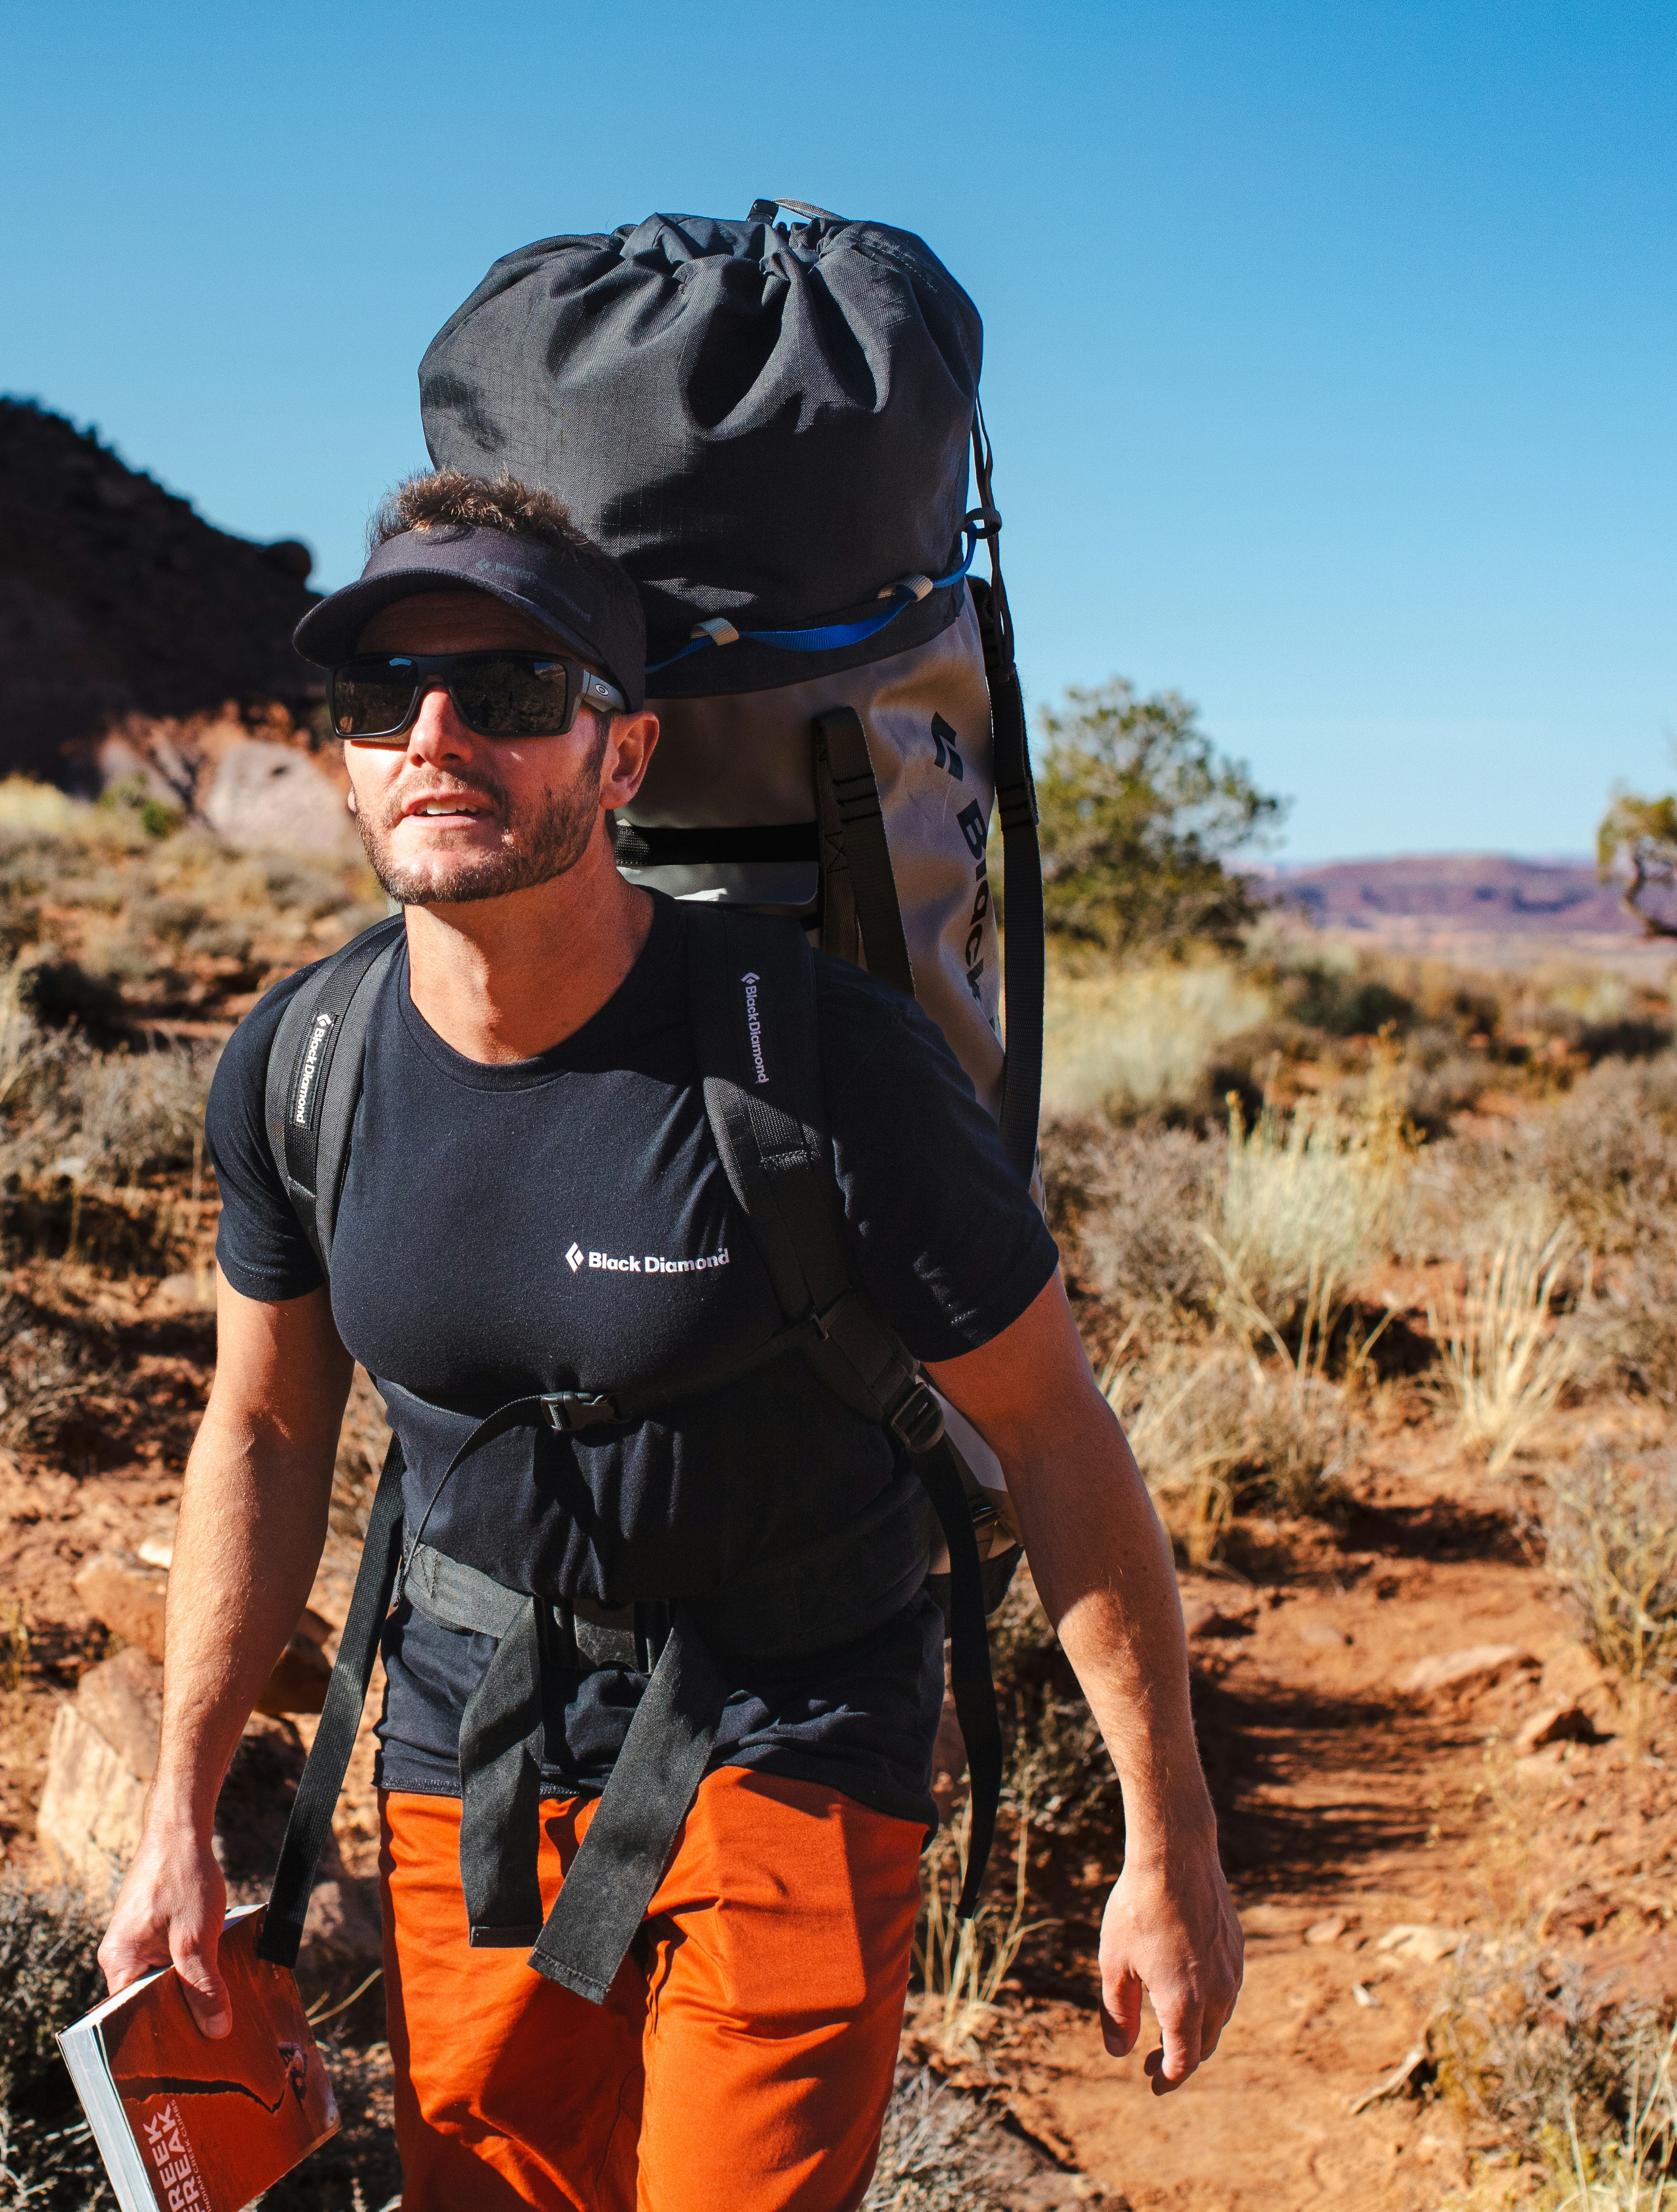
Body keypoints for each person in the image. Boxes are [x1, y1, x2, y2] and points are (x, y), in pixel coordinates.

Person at [98, 469, 1242, 2210]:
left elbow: (1060, 1434)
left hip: (791, 1724)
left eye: (511, 694)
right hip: (465, 1739)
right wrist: (176, 1807)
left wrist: (1171, 1849)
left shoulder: (823, 1067)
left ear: (623, 758)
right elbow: (258, 1429)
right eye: (378, 697)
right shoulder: (303, 1065)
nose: (434, 738)